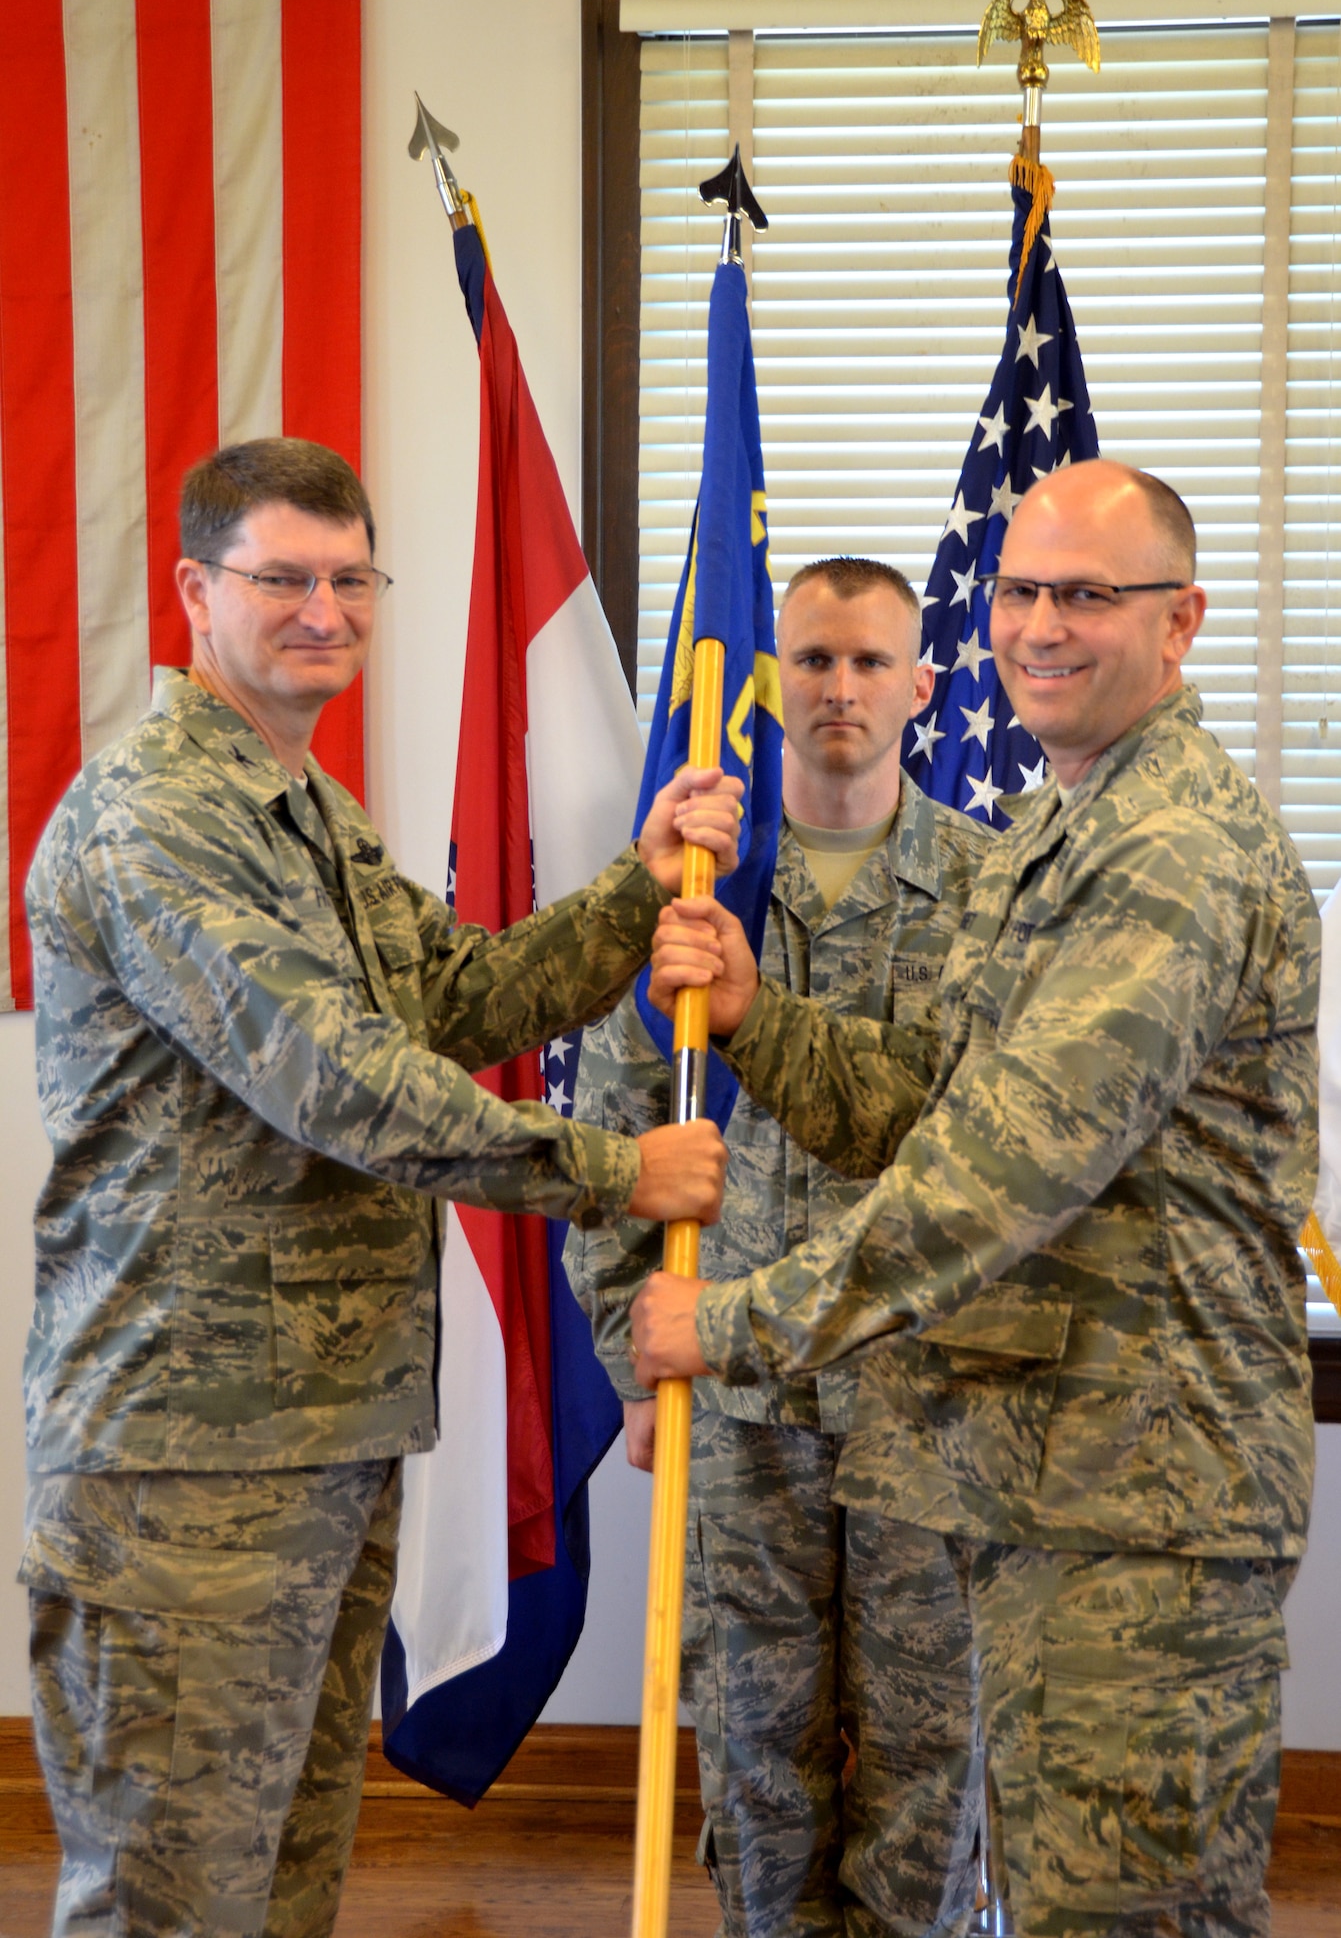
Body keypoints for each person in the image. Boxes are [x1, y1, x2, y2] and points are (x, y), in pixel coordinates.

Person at [21, 437, 736, 1938]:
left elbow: (462, 994)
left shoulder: (303, 810)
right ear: (195, 593)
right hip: (184, 1456)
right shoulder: (158, 813)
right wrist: (611, 1169)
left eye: (351, 578)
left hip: (316, 1427)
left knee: (280, 1878)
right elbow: (333, 1075)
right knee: (174, 1898)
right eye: (283, 578)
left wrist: (635, 879)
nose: (324, 610)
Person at [633, 459, 1320, 1938]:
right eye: (1017, 589)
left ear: (1179, 620)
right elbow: (930, 1097)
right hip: (1047, 1479)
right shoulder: (1073, 831)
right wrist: (762, 1021)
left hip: (1140, 1499)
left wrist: (734, 1324)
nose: (1039, 625)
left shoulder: (1169, 851)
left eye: (1087, 593)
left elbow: (1004, 1166)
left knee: (1124, 1912)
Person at [567, 557, 990, 1938]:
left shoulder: (992, 897)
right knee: (754, 1739)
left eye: (871, 663)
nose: (840, 690)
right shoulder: (691, 891)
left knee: (931, 1743)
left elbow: (995, 1146)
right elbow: (607, 1147)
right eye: (810, 660)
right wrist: (629, 1360)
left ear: (922, 686)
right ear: (768, 683)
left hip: (931, 1393)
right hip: (737, 1401)